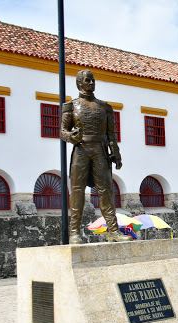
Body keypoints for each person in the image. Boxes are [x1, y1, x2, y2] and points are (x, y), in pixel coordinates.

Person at [61, 69, 130, 244]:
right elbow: (63, 131)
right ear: (79, 84)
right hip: (81, 149)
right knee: (77, 191)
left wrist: (116, 153)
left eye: (93, 80)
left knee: (106, 191)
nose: (91, 83)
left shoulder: (105, 107)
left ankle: (113, 231)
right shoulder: (70, 106)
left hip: (100, 149)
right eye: (87, 81)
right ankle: (74, 233)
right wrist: (71, 137)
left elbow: (111, 134)